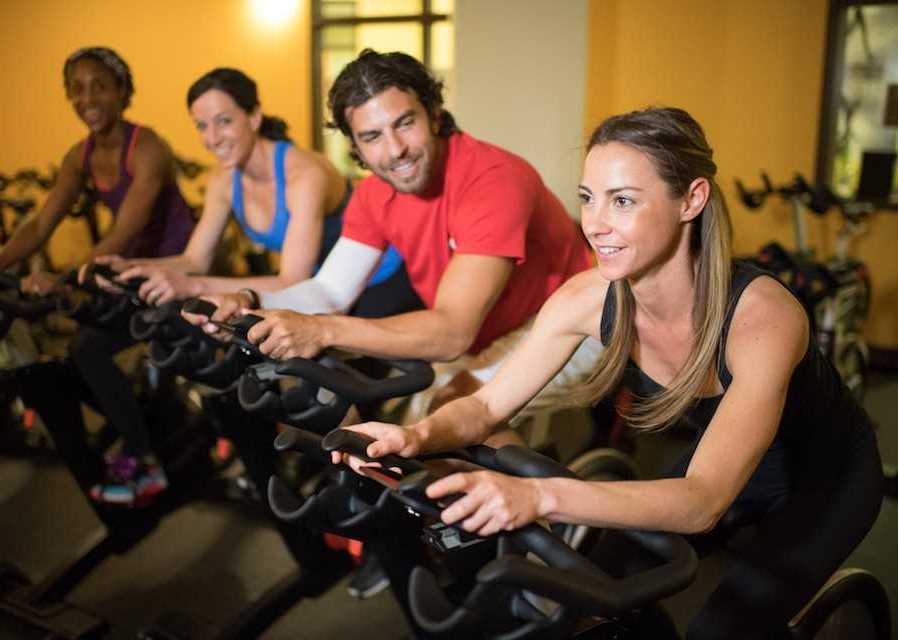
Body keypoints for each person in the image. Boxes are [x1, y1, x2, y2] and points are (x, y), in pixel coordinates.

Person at [336, 107, 884, 638]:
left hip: (828, 479)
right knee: (596, 593)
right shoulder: (588, 298)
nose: (595, 225)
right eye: (588, 199)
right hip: (730, 459)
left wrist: (539, 496)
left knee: (723, 628)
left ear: (691, 200)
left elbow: (701, 500)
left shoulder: (762, 317)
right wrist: (412, 436)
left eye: (623, 201)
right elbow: (484, 407)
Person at [186, 50, 598, 602]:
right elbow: (330, 289)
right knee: (406, 445)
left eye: (404, 123)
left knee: (451, 415)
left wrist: (324, 330)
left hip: (569, 325)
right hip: (485, 337)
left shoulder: (492, 178)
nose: (394, 150)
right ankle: (446, 552)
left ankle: (553, 587)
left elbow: (450, 330)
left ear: (432, 112)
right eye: (372, 136)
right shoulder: (376, 193)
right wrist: (249, 300)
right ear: (354, 146)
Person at [0, 47, 195, 507]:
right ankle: (142, 442)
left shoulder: (147, 147)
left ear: (123, 92)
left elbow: (127, 230)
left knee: (93, 347)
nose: (88, 97)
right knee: (86, 349)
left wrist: (63, 278)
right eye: (77, 89)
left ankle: (143, 450)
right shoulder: (78, 156)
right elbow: (41, 224)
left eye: (99, 85)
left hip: (178, 271)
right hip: (129, 273)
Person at [102, 67, 414, 319]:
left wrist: (191, 286)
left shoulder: (303, 175)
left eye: (224, 121)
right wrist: (134, 268)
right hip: (321, 284)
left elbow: (291, 280)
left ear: (253, 117)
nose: (212, 138)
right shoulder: (224, 180)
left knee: (333, 381)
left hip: (380, 277)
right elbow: (194, 259)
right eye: (201, 125)